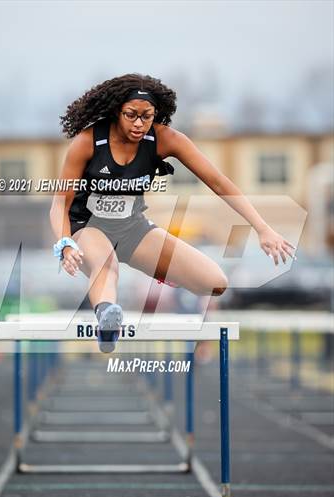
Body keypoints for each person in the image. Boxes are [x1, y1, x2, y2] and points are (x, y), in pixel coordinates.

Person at [50, 73, 295, 352]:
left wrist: (262, 228)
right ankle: (107, 321)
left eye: (147, 116)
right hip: (87, 229)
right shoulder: (88, 142)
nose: (139, 124)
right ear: (116, 111)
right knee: (107, 264)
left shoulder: (165, 139)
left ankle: (164, 274)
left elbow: (218, 182)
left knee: (214, 283)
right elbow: (60, 203)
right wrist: (65, 242)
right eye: (131, 115)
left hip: (132, 229)